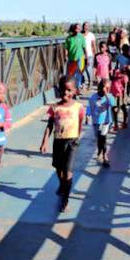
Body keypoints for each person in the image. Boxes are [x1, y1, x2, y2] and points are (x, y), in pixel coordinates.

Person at [40, 76, 85, 212]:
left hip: (72, 142)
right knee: (59, 169)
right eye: (63, 89)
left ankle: (65, 200)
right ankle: (62, 184)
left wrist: (77, 136)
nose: (66, 92)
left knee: (68, 172)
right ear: (58, 90)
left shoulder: (79, 107)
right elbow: (49, 125)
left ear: (75, 91)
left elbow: (80, 122)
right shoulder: (54, 108)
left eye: (69, 90)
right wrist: (44, 142)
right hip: (58, 141)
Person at [86, 79, 115, 167]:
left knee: (103, 138)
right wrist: (87, 115)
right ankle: (99, 151)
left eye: (108, 88)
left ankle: (105, 156)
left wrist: (107, 96)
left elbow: (113, 105)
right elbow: (89, 106)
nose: (107, 90)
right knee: (99, 139)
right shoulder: (93, 97)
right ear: (100, 87)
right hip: (96, 121)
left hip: (106, 121)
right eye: (105, 88)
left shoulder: (109, 97)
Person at [64, 23, 87, 92]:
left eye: (79, 29)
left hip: (80, 58)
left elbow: (84, 47)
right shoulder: (68, 38)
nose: (78, 30)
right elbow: (66, 48)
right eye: (77, 28)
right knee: (71, 74)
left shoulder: (81, 37)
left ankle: (78, 88)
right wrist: (65, 56)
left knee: (79, 73)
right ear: (73, 29)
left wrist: (86, 57)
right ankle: (72, 88)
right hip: (71, 58)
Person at [82, 22, 97, 89]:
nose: (86, 27)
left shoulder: (91, 35)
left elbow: (94, 45)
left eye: (87, 26)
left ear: (89, 27)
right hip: (81, 55)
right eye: (84, 26)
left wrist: (95, 55)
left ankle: (90, 82)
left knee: (89, 69)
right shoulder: (80, 35)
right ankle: (83, 83)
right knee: (82, 69)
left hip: (89, 54)